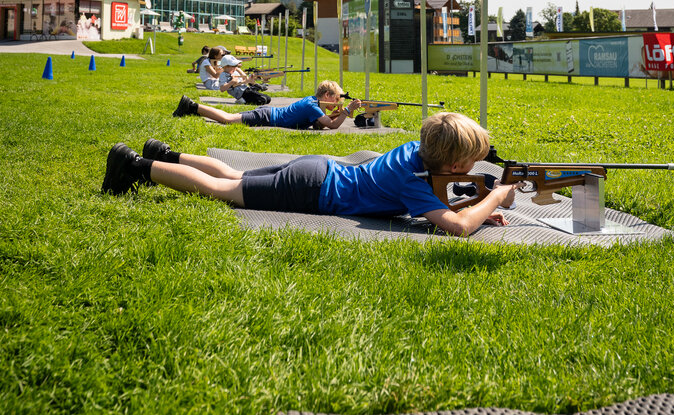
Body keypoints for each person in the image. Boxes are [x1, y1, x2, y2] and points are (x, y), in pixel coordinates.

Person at [101, 112, 517, 238]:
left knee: (231, 173)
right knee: (223, 190)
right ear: (454, 164)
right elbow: (458, 229)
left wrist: (475, 204)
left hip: (316, 168)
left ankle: (167, 155)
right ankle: (136, 167)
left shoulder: (416, 154)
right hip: (313, 189)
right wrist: (493, 198)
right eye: (470, 162)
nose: (471, 170)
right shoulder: (415, 181)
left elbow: (441, 207)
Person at [172, 79, 360, 130]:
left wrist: (339, 112)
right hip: (267, 116)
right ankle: (191, 105)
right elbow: (332, 126)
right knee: (228, 119)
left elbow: (320, 125)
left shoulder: (313, 103)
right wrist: (346, 111)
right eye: (335, 99)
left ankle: (194, 110)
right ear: (327, 95)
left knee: (229, 119)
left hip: (269, 114)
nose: (336, 103)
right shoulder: (313, 106)